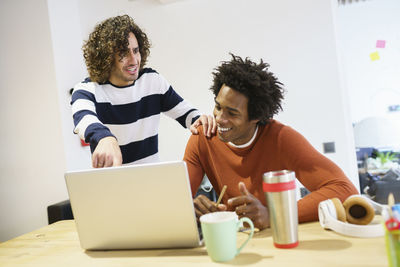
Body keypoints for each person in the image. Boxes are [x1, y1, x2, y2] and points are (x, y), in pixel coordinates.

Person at [184, 54, 358, 230]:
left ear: (256, 116)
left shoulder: (282, 139)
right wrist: (193, 207)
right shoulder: (202, 137)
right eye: (218, 107)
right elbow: (177, 202)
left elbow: (344, 190)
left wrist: (275, 215)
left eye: (232, 113)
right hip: (233, 238)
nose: (220, 118)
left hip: (275, 237)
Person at [71, 15, 215, 168]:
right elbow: (85, 121)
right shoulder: (86, 90)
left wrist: (201, 120)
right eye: (123, 53)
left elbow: (188, 115)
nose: (133, 60)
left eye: (136, 50)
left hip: (151, 180)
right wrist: (105, 138)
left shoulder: (152, 81)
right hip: (111, 183)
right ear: (106, 57)